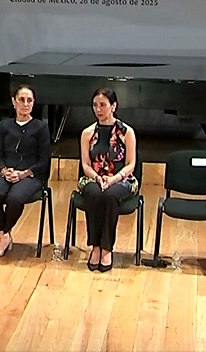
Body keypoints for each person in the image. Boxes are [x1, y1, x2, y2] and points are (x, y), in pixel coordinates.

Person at [0, 84, 51, 258]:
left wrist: (23, 173)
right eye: (21, 100)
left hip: (30, 175)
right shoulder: (5, 126)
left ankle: (4, 234)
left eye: (29, 100)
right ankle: (2, 232)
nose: (25, 104)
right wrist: (4, 171)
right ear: (14, 102)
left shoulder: (40, 127)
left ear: (34, 103)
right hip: (8, 171)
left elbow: (44, 161)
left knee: (15, 198)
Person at [77, 88, 137, 272]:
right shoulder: (87, 133)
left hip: (122, 179)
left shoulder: (126, 132)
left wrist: (113, 179)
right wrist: (97, 178)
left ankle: (106, 248)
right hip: (93, 178)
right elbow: (85, 165)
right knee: (94, 194)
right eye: (95, 105)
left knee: (110, 196)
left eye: (103, 105)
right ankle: (95, 246)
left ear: (114, 106)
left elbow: (130, 164)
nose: (98, 109)